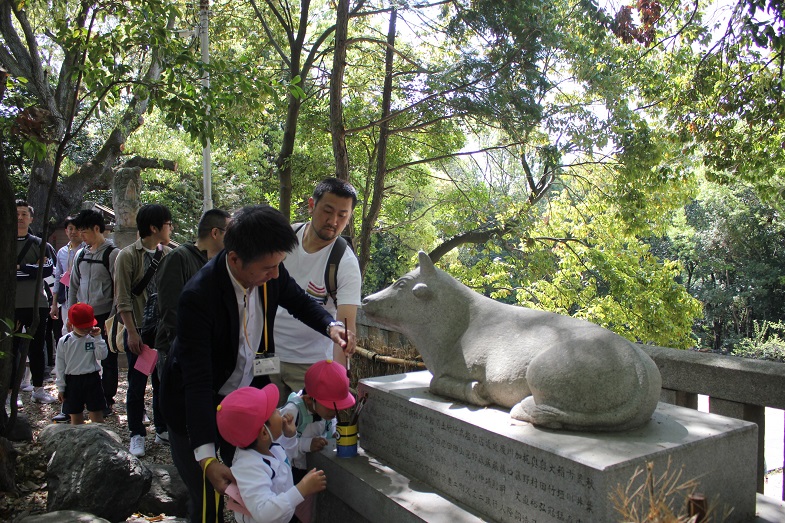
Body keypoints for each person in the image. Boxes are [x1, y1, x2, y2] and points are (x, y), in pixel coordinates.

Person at [160, 204, 355, 523]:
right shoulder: (199, 297)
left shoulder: (270, 271)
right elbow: (197, 383)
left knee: (256, 481)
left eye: (279, 266)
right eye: (268, 268)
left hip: (246, 399)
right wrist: (207, 458)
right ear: (235, 259)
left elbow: (299, 301)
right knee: (208, 497)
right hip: (193, 402)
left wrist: (330, 326)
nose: (276, 275)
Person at [273, 177, 361, 399]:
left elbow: (345, 329)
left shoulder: (345, 263)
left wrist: (337, 383)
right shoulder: (285, 239)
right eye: (327, 211)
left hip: (311, 365)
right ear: (312, 205)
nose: (333, 221)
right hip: (267, 356)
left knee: (308, 421)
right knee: (265, 420)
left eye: (342, 215)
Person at [216, 385, 327, 523]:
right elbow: (264, 513)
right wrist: (301, 489)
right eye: (274, 411)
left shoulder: (270, 447)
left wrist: (289, 436)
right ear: (264, 432)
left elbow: (287, 458)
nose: (279, 412)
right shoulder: (249, 467)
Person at [115, 204, 173, 457]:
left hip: (162, 332)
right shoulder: (127, 256)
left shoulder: (169, 254)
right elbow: (123, 298)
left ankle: (162, 428)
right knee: (137, 384)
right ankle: (136, 433)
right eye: (168, 224)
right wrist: (131, 332)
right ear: (154, 227)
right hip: (138, 329)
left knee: (162, 382)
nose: (171, 228)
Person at [280, 359, 355, 523]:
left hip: (313, 468)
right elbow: (280, 447)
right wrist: (307, 444)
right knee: (294, 511)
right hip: (293, 472)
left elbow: (331, 428)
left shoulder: (327, 413)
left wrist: (337, 436)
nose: (335, 411)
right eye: (331, 406)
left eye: (338, 406)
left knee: (311, 510)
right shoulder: (292, 412)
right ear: (309, 400)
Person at [154, 208, 230, 364]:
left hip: (204, 346)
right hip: (178, 349)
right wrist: (184, 347)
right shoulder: (178, 257)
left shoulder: (218, 263)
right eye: (230, 232)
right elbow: (170, 308)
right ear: (215, 233)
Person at [65, 209, 119, 419]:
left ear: (97, 229)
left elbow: (118, 289)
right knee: (79, 357)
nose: (81, 236)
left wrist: (112, 319)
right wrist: (71, 315)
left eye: (84, 231)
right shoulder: (81, 254)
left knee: (108, 359)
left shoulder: (112, 254)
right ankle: (79, 400)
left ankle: (106, 399)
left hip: (104, 314)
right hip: (82, 315)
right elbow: (73, 285)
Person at [14, 199, 57, 405]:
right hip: (11, 305)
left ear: (31, 218)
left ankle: (38, 389)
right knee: (11, 349)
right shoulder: (5, 242)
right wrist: (32, 268)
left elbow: (47, 270)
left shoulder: (41, 245)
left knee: (37, 348)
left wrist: (20, 267)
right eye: (17, 214)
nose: (20, 218)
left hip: (36, 303)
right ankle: (10, 393)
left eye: (24, 214)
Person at [55, 302, 108, 425]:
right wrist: (61, 387)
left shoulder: (93, 338)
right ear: (71, 324)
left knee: (96, 414)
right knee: (75, 416)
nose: (86, 330)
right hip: (72, 381)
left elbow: (102, 355)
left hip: (92, 379)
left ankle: (99, 435)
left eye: (88, 326)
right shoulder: (64, 341)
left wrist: (98, 338)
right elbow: (60, 366)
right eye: (82, 327)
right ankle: (78, 436)